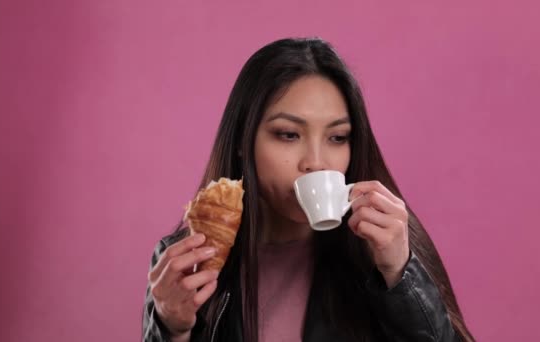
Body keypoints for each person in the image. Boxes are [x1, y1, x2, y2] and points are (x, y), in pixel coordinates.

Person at [142, 37, 474, 342]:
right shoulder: (185, 261)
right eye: (288, 134)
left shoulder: (384, 250)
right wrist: (171, 328)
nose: (316, 163)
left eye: (337, 137)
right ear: (244, 141)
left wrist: (400, 274)